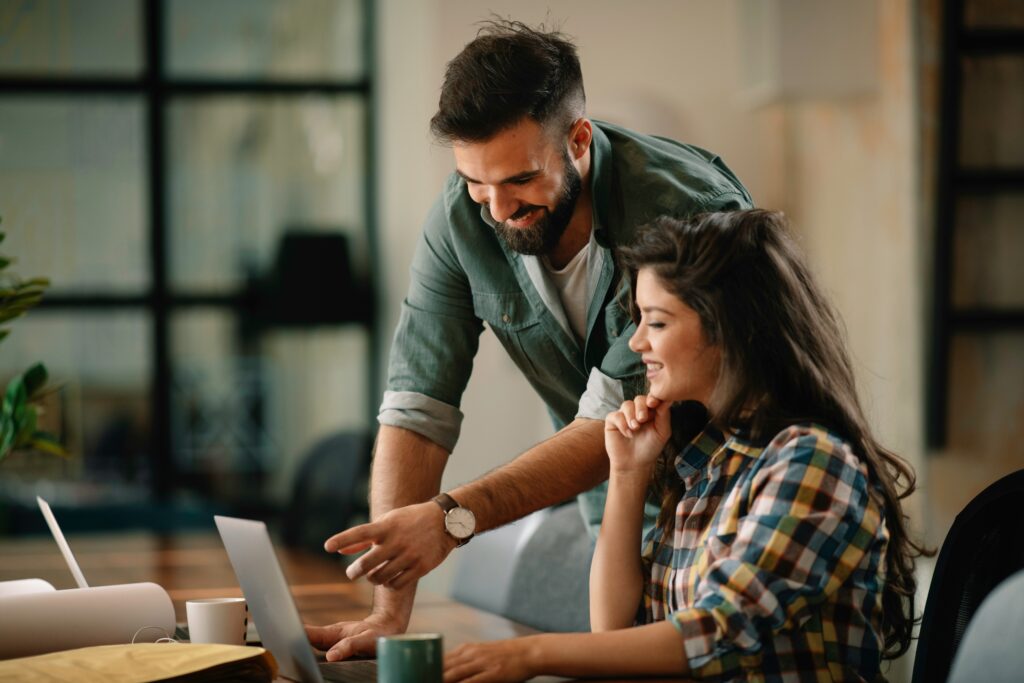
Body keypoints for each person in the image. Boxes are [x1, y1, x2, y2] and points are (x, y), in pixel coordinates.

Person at [304, 20, 752, 660]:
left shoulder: (686, 211)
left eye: (518, 181)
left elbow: (615, 412)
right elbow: (417, 406)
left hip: (726, 517)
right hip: (616, 522)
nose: (495, 209)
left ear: (577, 139)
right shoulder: (464, 216)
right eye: (474, 181)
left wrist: (452, 519)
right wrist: (388, 609)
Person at [442, 209, 926, 682]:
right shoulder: (710, 461)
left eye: (655, 322)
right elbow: (614, 630)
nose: (635, 344)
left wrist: (533, 655)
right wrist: (628, 475)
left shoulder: (812, 462)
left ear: (728, 329)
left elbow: (715, 635)